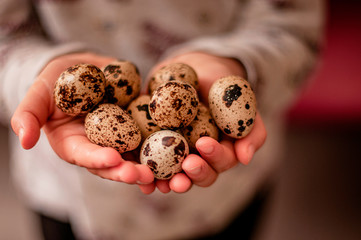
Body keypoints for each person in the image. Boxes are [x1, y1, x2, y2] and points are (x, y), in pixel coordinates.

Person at [0, 0, 325, 239]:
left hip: (226, 194)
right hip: (66, 194)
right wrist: (38, 75)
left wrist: (235, 65)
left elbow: (293, 27)